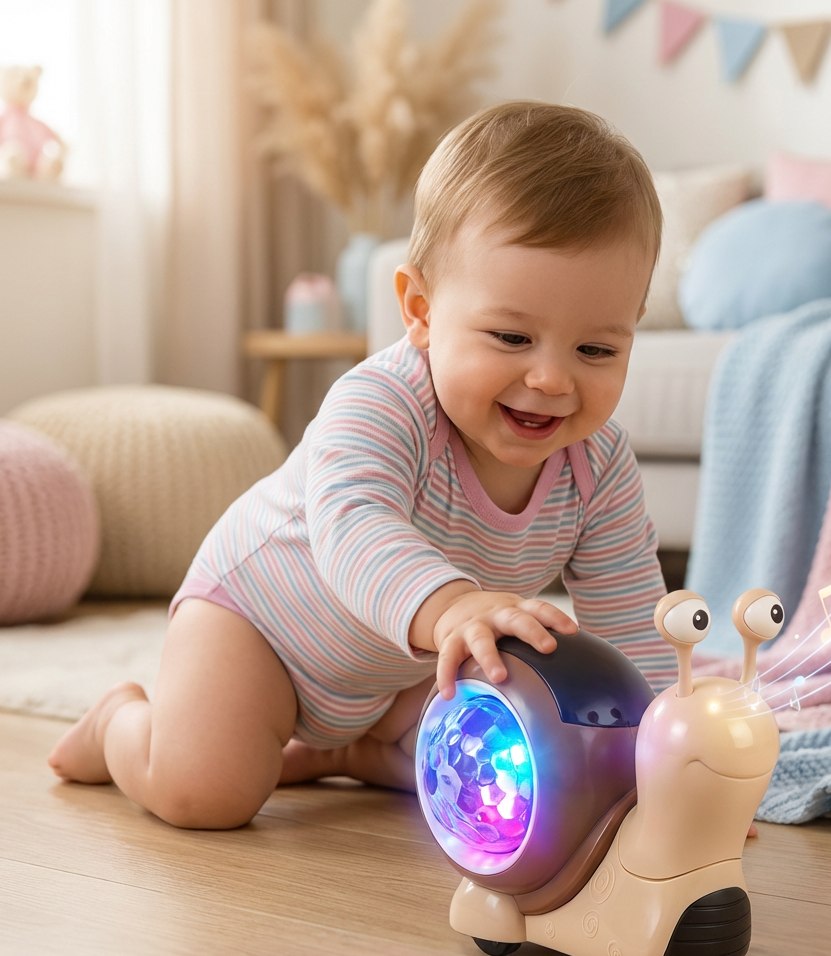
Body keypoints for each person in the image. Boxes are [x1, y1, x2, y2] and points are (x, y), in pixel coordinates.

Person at [48, 101, 678, 828]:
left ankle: (346, 751)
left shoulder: (598, 467)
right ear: (419, 309)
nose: (551, 380)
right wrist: (452, 607)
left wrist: (661, 761)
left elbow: (632, 626)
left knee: (513, 770)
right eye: (510, 337)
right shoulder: (383, 403)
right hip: (259, 627)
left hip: (395, 668)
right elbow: (353, 531)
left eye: (596, 351)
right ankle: (122, 724)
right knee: (206, 794)